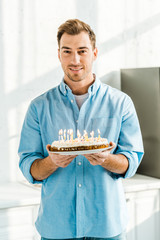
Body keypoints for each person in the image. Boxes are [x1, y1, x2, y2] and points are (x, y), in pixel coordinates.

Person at [18, 19, 144, 240]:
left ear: (94, 53)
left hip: (106, 227)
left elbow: (131, 161)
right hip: (56, 229)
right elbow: (30, 168)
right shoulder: (39, 107)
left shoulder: (120, 103)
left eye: (82, 51)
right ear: (59, 55)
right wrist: (51, 162)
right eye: (67, 51)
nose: (74, 60)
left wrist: (107, 159)